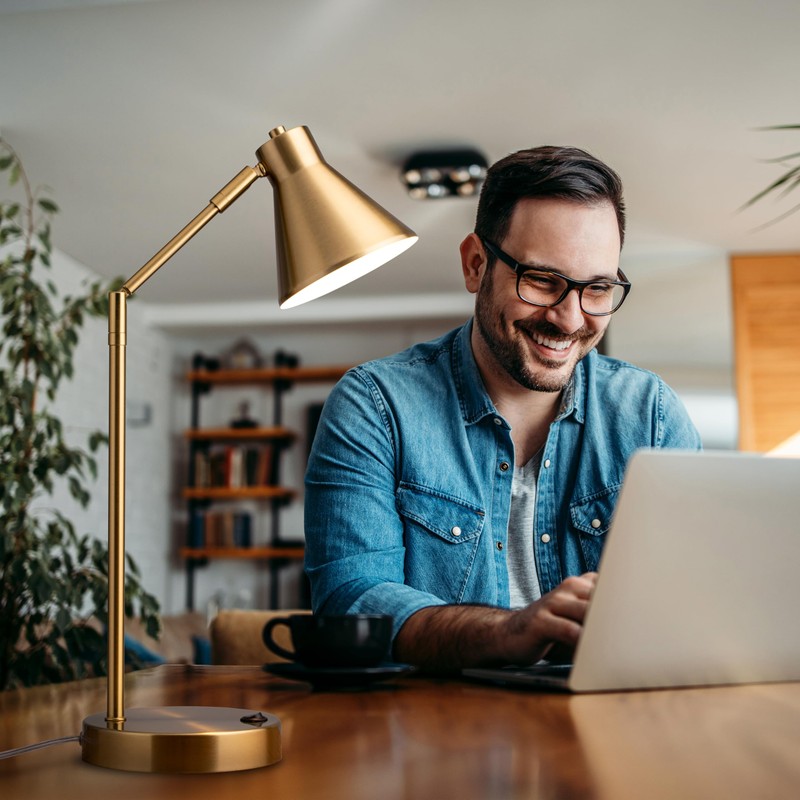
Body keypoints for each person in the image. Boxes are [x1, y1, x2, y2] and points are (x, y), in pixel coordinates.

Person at [303, 145, 702, 672]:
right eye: (542, 281)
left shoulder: (650, 415)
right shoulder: (375, 406)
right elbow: (351, 601)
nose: (570, 318)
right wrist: (510, 630)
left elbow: (697, 600)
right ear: (475, 265)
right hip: (435, 735)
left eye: (598, 288)